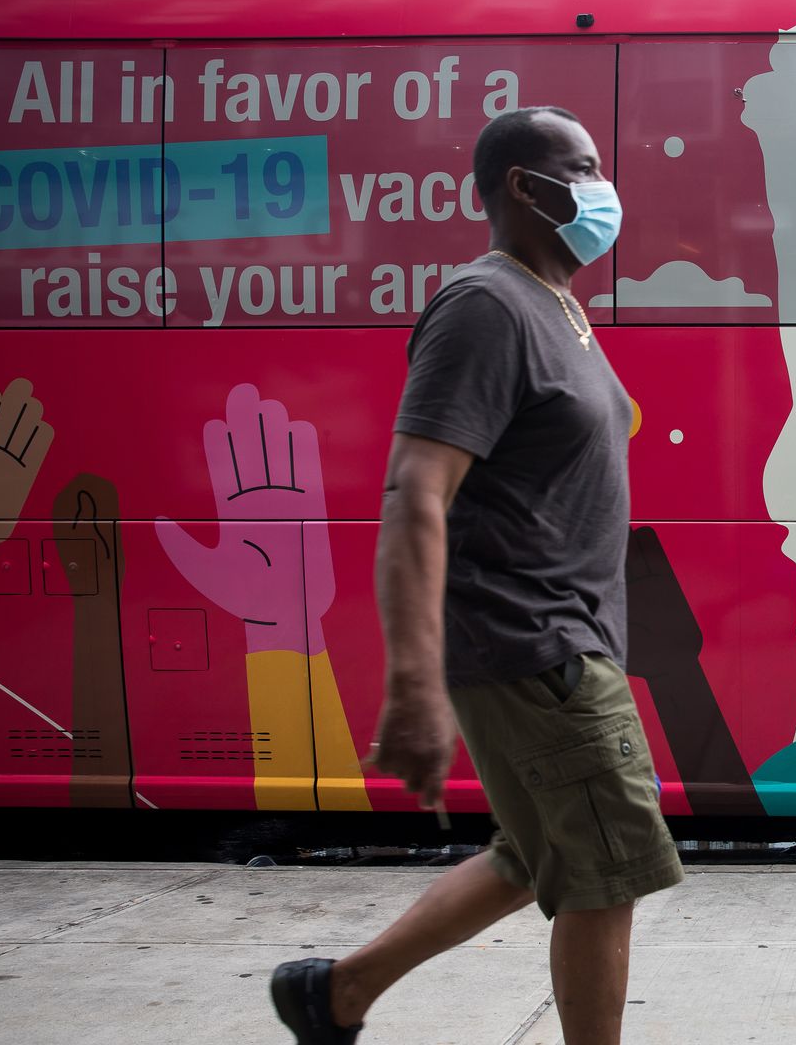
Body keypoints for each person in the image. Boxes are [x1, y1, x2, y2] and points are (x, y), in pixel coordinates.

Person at [270, 106, 683, 1045]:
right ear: (521, 188)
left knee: (532, 855)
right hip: (535, 642)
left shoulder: (556, 304)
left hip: (560, 630)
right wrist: (413, 687)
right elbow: (416, 492)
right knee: (609, 867)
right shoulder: (486, 306)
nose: (601, 188)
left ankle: (333, 993)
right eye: (580, 170)